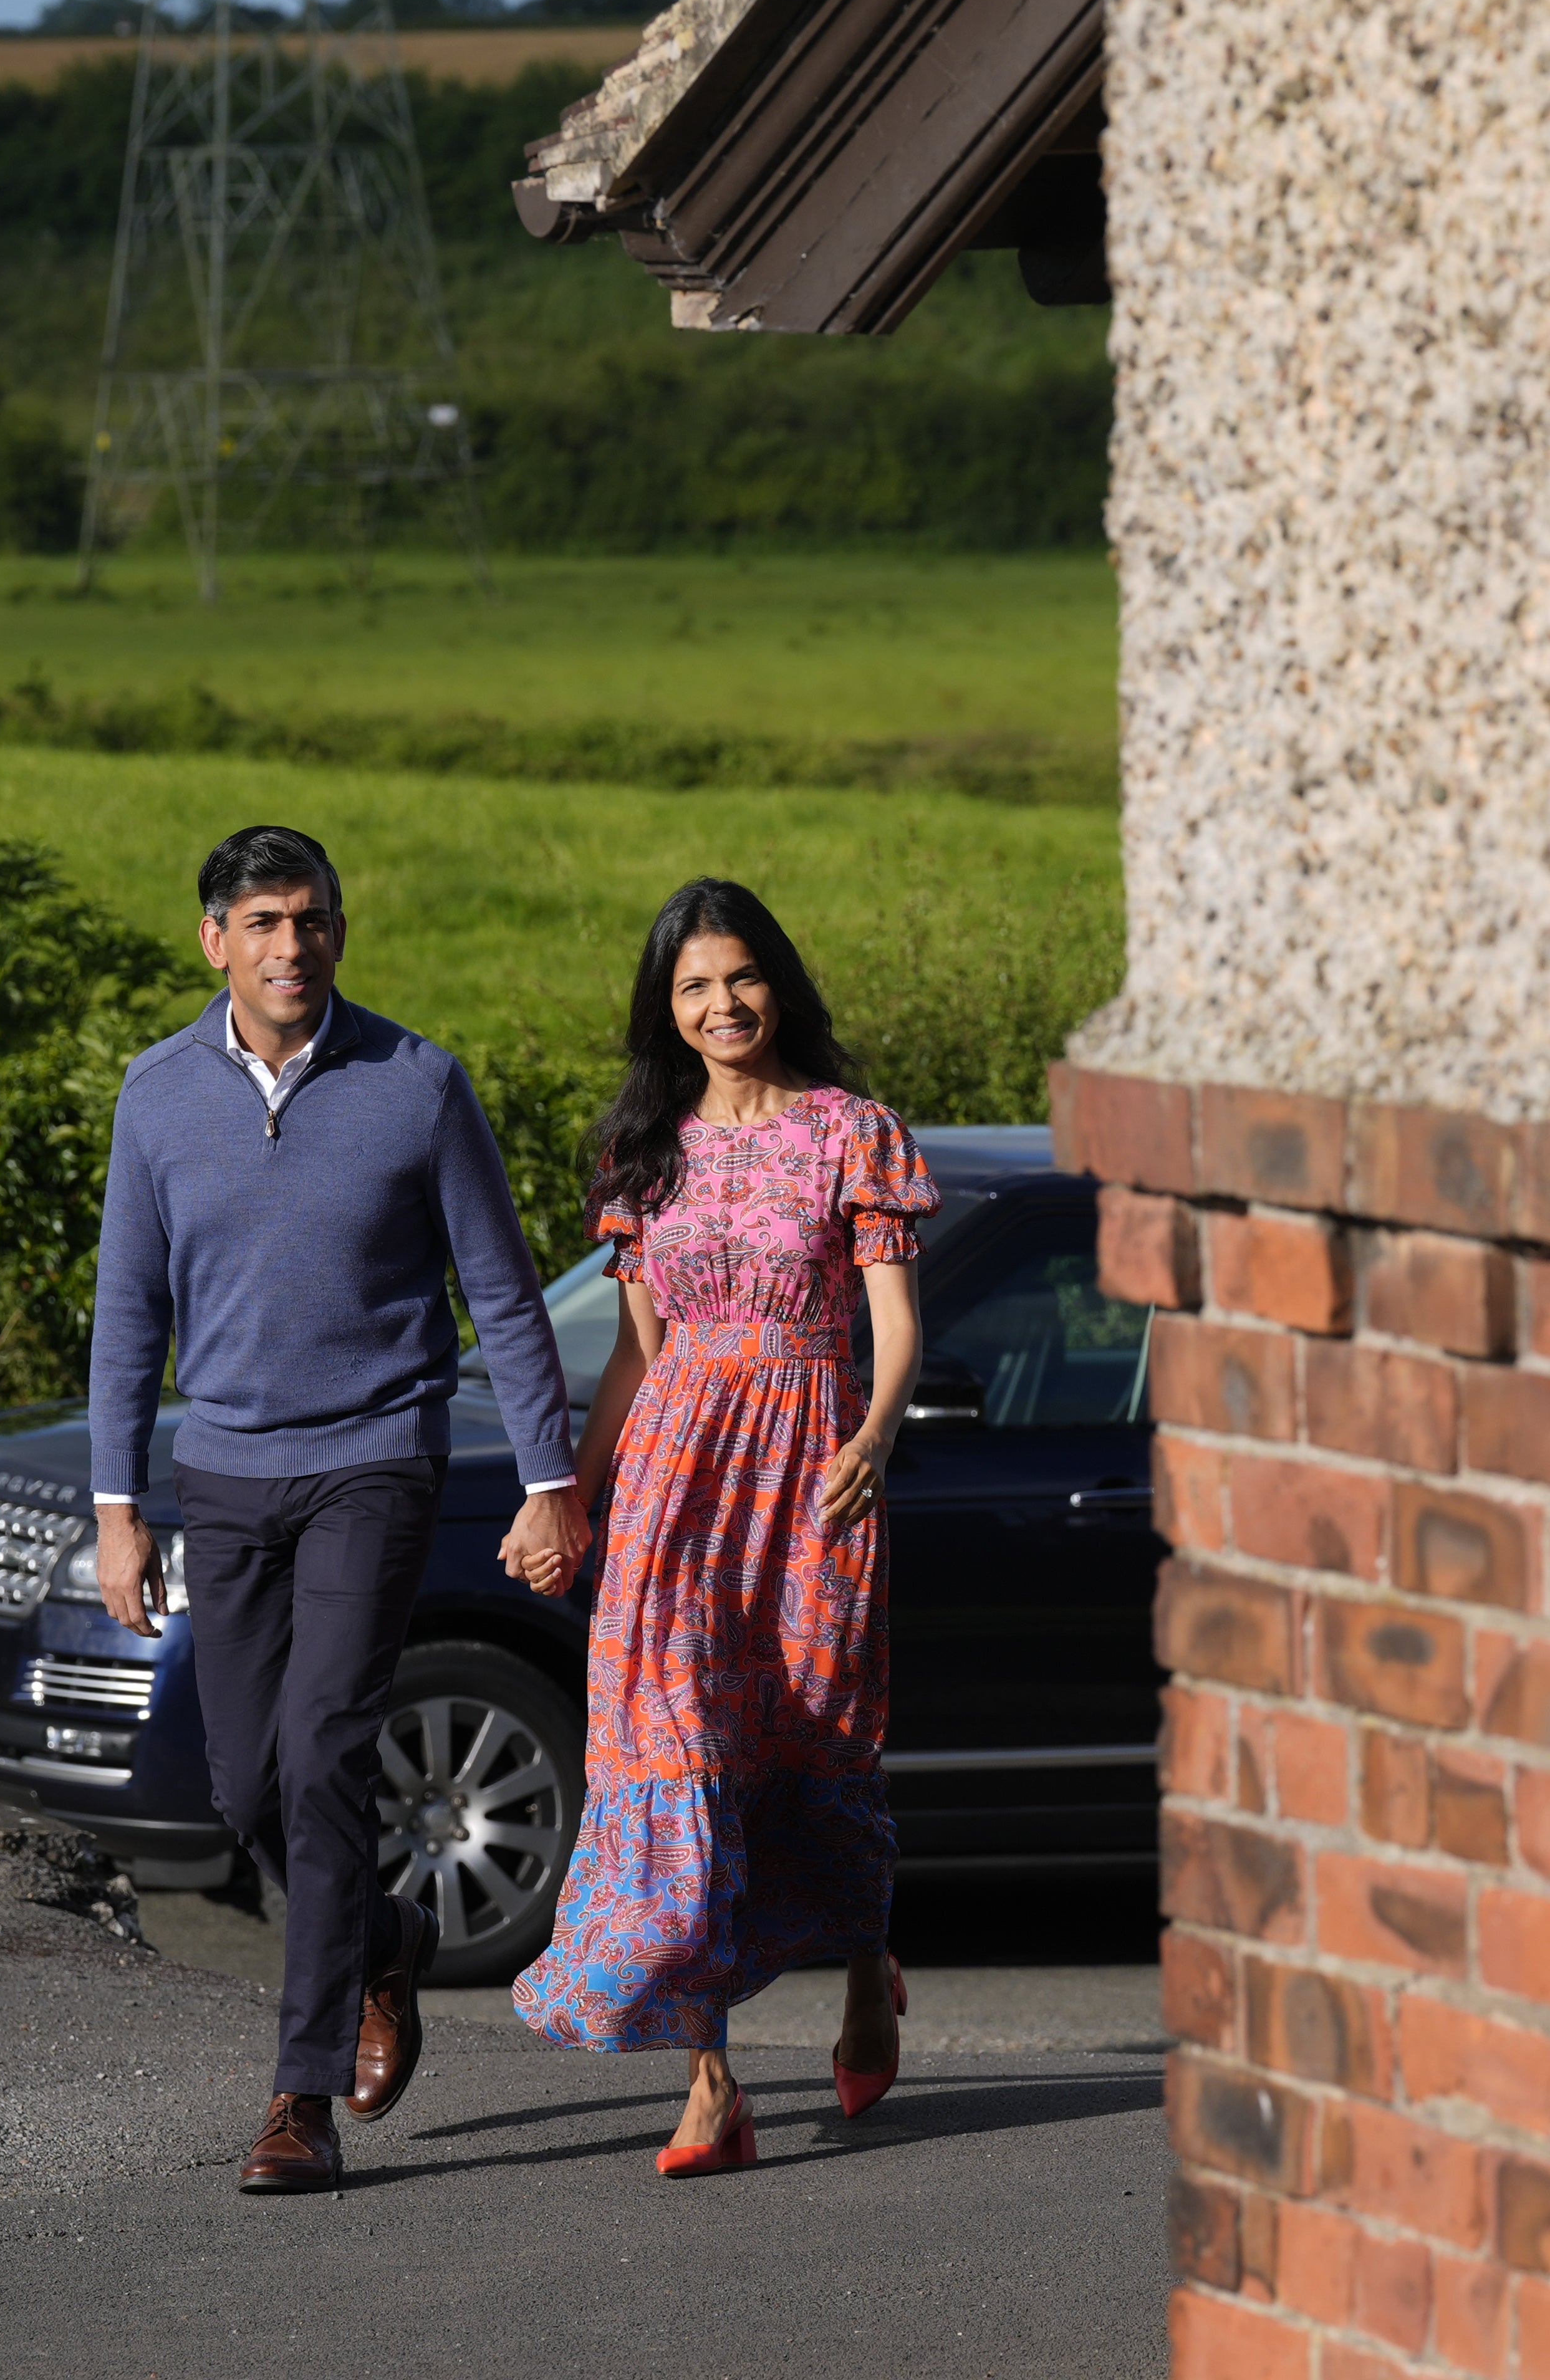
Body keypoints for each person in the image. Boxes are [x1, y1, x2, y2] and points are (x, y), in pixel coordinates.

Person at [87, 823, 589, 2194]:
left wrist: (551, 1479)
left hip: (377, 1457)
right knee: (246, 1778)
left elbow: (501, 1287)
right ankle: (379, 1939)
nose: (289, 945)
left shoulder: (417, 1083)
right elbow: (129, 1309)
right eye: (262, 922)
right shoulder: (155, 1094)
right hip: (226, 1473)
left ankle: (297, 2094)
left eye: (310, 920)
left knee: (323, 1751)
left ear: (339, 933)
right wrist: (118, 1505)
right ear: (215, 941)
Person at [506, 878, 935, 2175]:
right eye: (693, 986)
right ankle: (712, 2082)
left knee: (811, 1729)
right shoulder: (650, 1153)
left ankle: (868, 1968)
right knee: (676, 1743)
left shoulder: (849, 1131)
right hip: (674, 1484)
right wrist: (571, 1491)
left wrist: (876, 1432)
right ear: (668, 1010)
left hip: (809, 1465)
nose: (722, 1003)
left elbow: (896, 1319)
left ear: (777, 983)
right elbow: (638, 1361)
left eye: (739, 977)